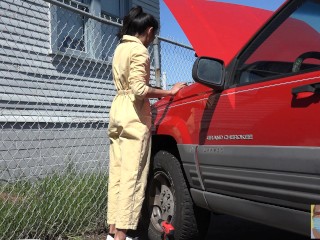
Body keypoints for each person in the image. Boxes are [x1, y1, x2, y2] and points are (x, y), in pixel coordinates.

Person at [106, 6, 186, 240]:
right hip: (133, 113)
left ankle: (112, 233)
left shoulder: (120, 48)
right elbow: (140, 90)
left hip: (117, 110)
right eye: (153, 36)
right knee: (133, 175)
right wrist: (170, 92)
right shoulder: (139, 51)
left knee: (118, 174)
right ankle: (122, 236)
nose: (152, 40)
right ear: (149, 31)